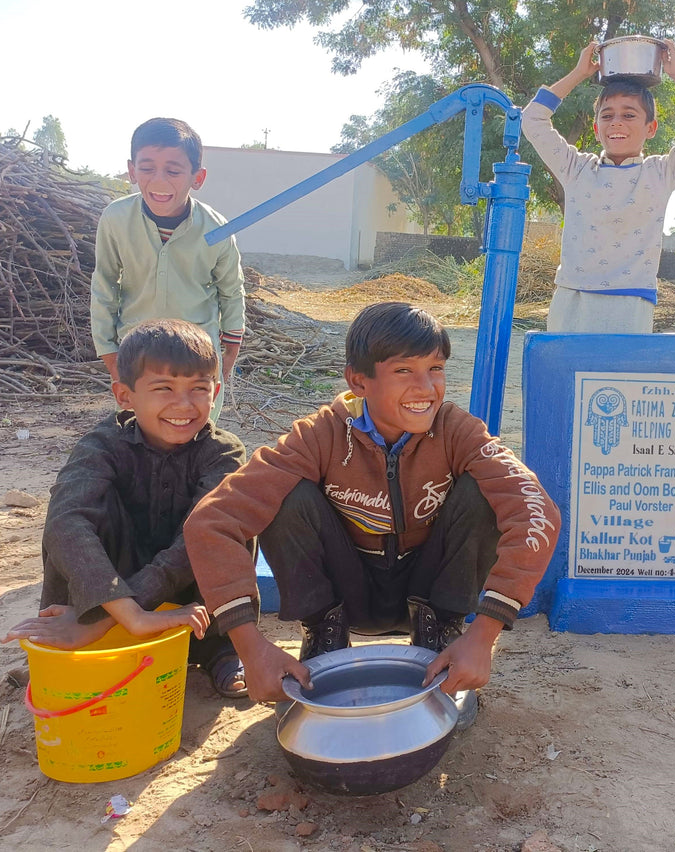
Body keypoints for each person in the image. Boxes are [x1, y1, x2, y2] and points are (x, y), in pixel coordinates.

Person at [182, 302, 561, 704]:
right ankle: (326, 637)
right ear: (358, 381)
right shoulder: (317, 436)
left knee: (483, 490)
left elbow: (537, 513)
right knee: (286, 492)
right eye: (404, 371)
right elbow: (211, 522)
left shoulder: (459, 432)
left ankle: (441, 633)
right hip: (348, 595)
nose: (426, 388)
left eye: (435, 368)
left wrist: (483, 635)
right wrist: (250, 646)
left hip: (431, 590)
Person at [2, 320, 249, 698]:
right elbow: (66, 524)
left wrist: (101, 620)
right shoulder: (101, 446)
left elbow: (194, 542)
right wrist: (128, 615)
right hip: (106, 595)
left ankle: (221, 649)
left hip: (190, 605)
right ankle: (74, 644)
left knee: (226, 520)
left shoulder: (224, 451)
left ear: (215, 391)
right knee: (70, 520)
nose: (183, 405)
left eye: (199, 389)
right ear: (124, 395)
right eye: (163, 388)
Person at [521, 39, 675, 333]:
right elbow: (533, 119)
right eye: (607, 115)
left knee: (622, 378)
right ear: (596, 128)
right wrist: (578, 73)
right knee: (565, 378)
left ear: (650, 128)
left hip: (631, 303)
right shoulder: (576, 168)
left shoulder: (661, 173)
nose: (617, 123)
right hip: (573, 299)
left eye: (629, 115)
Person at [90, 117, 245, 421]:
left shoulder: (216, 229)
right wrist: (110, 355)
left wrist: (227, 356)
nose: (159, 180)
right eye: (147, 168)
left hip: (198, 359)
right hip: (137, 357)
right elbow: (104, 284)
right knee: (142, 442)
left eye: (173, 171)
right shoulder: (116, 220)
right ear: (132, 171)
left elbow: (231, 290)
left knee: (198, 440)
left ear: (197, 178)